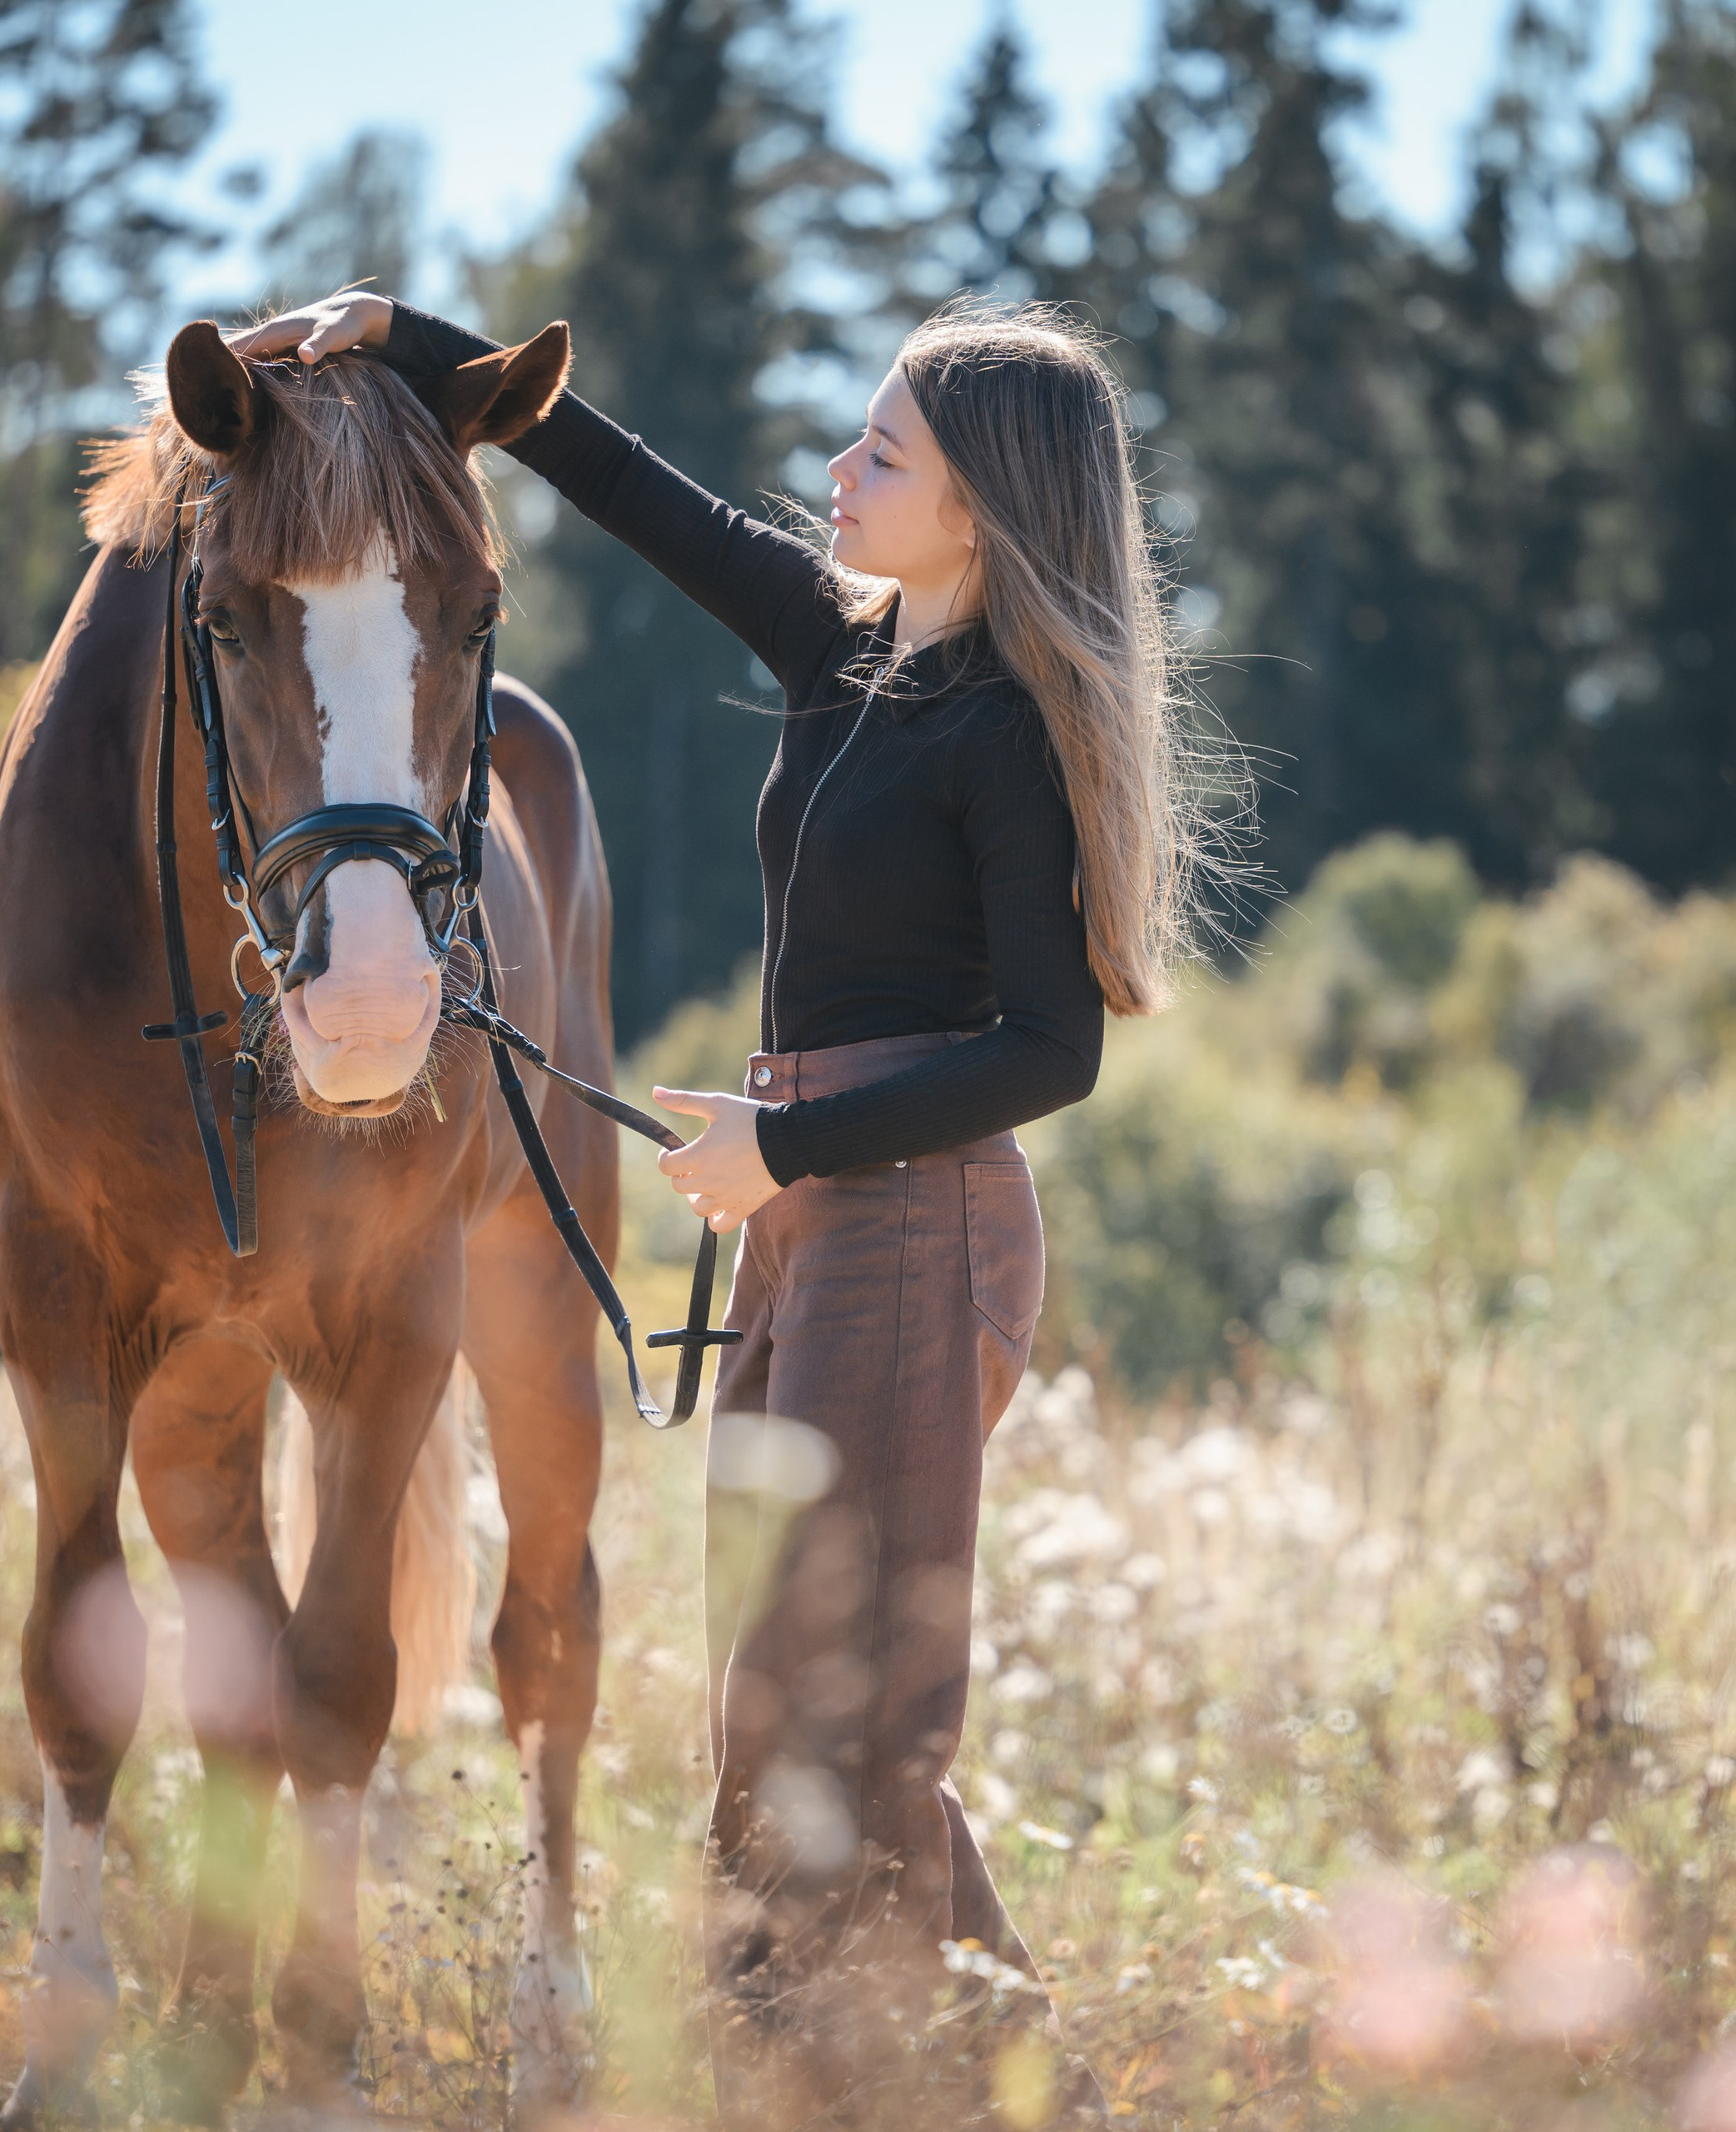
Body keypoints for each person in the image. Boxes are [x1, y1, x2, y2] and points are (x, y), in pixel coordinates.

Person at [236, 286, 1216, 2125]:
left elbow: (1049, 1049)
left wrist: (792, 1145)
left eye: (882, 453)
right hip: (816, 1213)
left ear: (980, 510)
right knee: (786, 1730)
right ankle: (1025, 2093)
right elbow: (625, 482)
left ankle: (903, 2085)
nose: (837, 470)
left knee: (836, 1743)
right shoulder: (839, 646)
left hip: (914, 1224)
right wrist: (402, 332)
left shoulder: (1003, 732)